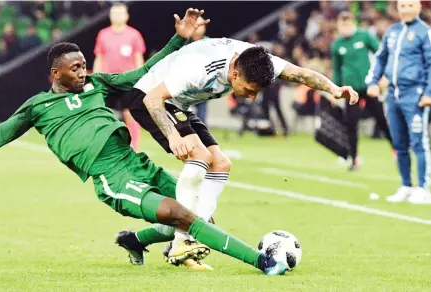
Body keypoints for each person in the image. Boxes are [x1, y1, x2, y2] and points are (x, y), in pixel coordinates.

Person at [0, 9, 291, 276]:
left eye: (84, 65)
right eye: (74, 68)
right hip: (111, 178)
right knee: (183, 215)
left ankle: (136, 240)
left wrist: (177, 39)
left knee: (200, 213)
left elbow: (140, 74)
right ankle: (262, 262)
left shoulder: (98, 84)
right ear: (55, 73)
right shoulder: (36, 107)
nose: (83, 72)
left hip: (134, 161)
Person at [117, 37, 359, 268]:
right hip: (149, 99)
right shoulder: (198, 68)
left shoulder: (258, 62)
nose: (252, 97)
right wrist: (173, 136)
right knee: (199, 156)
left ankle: (140, 240)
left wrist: (333, 88)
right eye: (250, 89)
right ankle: (182, 242)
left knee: (221, 164)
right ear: (234, 74)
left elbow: (299, 73)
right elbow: (152, 99)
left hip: (179, 104)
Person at [366, 0, 431, 204]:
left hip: (415, 94)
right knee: (399, 143)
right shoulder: (392, 31)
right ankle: (406, 186)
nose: (406, 9)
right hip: (393, 95)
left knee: (419, 142)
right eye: (403, 6)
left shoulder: (425, 32)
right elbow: (381, 58)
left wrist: (428, 93)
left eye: (410, 5)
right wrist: (374, 81)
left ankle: (422, 187)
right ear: (398, 9)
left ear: (419, 8)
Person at [331, 11, 393, 171]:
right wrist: (335, 89)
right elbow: (337, 70)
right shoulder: (337, 45)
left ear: (353, 23)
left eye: (348, 23)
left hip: (368, 87)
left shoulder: (364, 36)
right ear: (338, 25)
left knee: (381, 120)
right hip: (350, 91)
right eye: (342, 24)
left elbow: (381, 53)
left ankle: (397, 151)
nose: (345, 27)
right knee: (351, 124)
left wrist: (382, 75)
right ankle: (354, 159)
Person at [92, 2, 145, 152]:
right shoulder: (103, 34)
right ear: (110, 16)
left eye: (120, 13)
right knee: (106, 113)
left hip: (127, 82)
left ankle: (134, 147)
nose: (117, 16)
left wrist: (140, 79)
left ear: (127, 16)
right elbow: (99, 57)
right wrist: (95, 78)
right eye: (114, 13)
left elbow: (138, 58)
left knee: (131, 114)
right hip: (108, 82)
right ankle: (109, 145)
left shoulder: (134, 35)